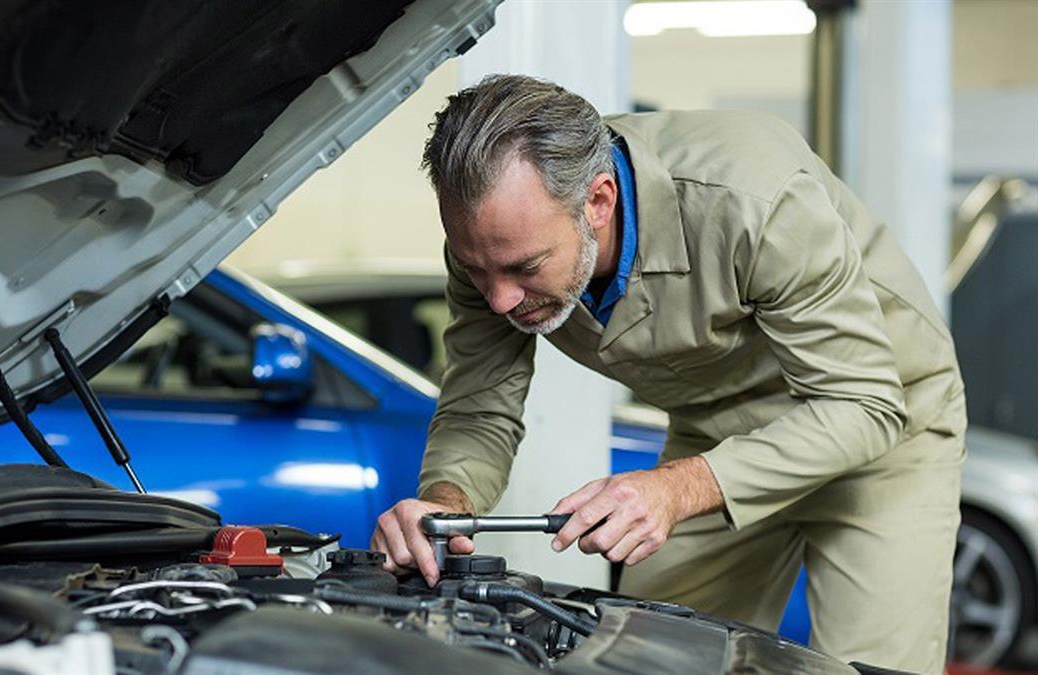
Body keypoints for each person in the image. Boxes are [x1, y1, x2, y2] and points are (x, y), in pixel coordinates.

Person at [369, 74, 966, 673]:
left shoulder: (753, 198)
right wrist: (443, 505)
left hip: (883, 428)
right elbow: (479, 409)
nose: (499, 299)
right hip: (717, 431)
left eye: (525, 267)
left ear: (598, 202)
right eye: (477, 270)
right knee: (643, 657)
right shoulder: (492, 245)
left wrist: (677, 488)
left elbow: (864, 404)